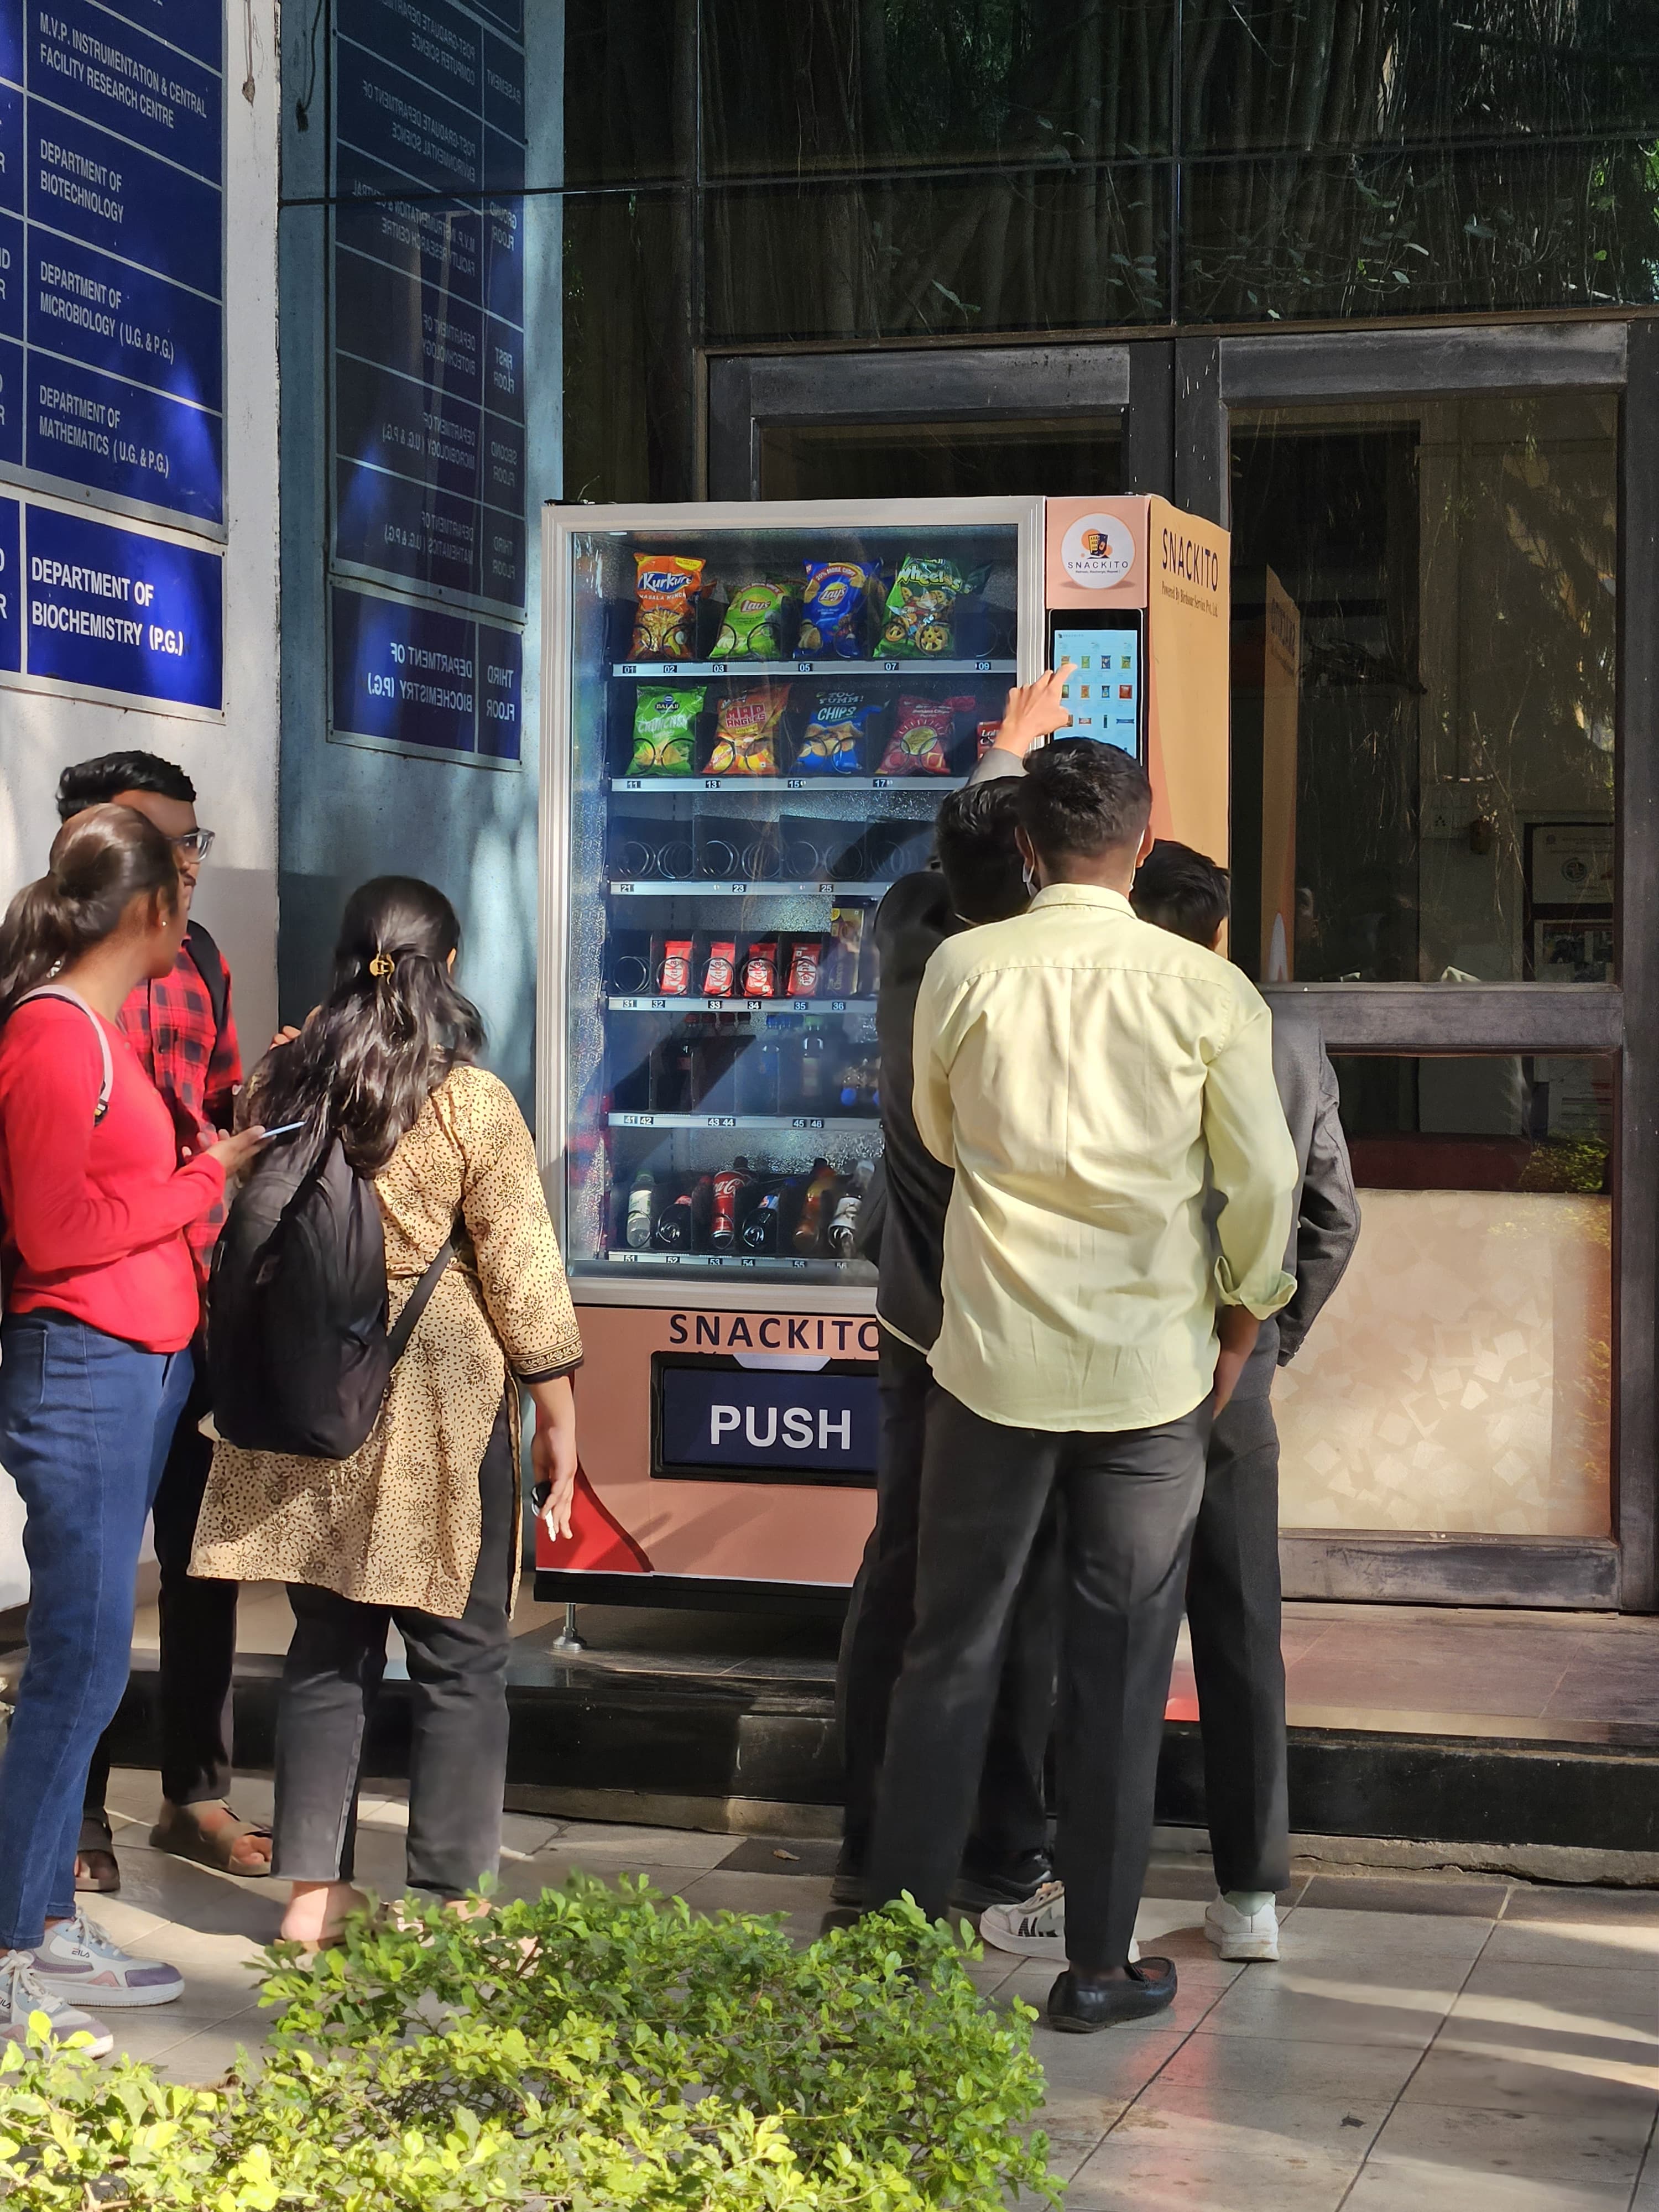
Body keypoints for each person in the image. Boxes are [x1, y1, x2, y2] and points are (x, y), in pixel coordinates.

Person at [864, 741, 1299, 2033]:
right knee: (1119, 1663)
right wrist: (1242, 1310)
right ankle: (1098, 1966)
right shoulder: (1204, 989)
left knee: (949, 1648)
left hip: (989, 1359)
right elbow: (1265, 1185)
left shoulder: (965, 965)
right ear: (1144, 845)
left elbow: (936, 1134)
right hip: (1152, 1375)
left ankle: (902, 1939)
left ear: (1031, 850)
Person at [981, 839, 1360, 1969]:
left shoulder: (1091, 1022)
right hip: (1229, 1384)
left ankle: (1067, 1883)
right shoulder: (1286, 1035)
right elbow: (1330, 1215)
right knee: (1240, 1629)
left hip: (1102, 1373)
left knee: (1078, 1627)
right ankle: (1249, 1894)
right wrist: (1267, 1344)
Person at [190, 878, 583, 1947]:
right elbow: (522, 1269)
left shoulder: (285, 1083)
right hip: (436, 1406)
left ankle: (313, 1901)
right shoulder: (469, 1100)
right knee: (460, 1654)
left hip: (312, 1392)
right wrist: (560, 1410)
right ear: (444, 969)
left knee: (328, 1646)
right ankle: (456, 1902)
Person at [0, 807, 266, 2052]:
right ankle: (15, 1943)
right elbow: (58, 1234)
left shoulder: (96, 1029)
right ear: (151, 907)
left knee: (92, 1663)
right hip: (86, 1373)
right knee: (77, 1667)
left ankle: (45, 1920)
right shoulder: (56, 1036)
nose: (198, 892)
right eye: (188, 870)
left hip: (133, 1371)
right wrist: (203, 1182)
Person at [836, 669, 1075, 1911]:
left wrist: (1001, 760)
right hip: (1006, 1329)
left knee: (904, 1569)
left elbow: (965, 872)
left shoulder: (915, 955)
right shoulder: (1017, 986)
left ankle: (872, 1835)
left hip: (913, 1314)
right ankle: (1009, 1837)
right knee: (1010, 1588)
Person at [51, 752, 265, 1892]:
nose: (188, 859)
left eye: (196, 838)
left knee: (203, 1553)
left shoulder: (201, 958)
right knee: (89, 1583)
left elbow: (214, 1101)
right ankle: (72, 1817)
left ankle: (195, 1792)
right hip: (94, 1319)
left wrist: (260, 1109)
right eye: (165, 838)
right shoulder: (48, 980)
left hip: (195, 1297)